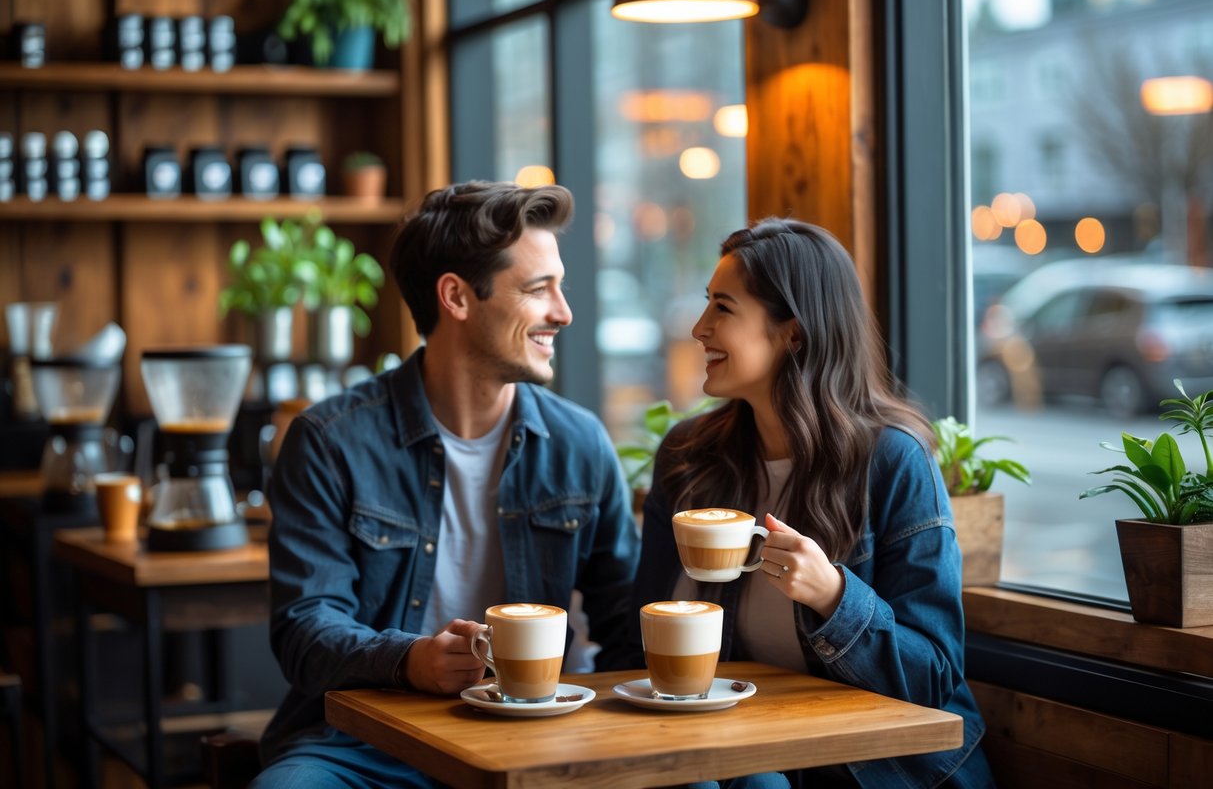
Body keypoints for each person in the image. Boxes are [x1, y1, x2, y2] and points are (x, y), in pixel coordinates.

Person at [255, 181, 640, 787]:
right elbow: (306, 629)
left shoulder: (579, 443)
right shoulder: (330, 441)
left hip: (538, 734)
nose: (563, 312)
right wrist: (410, 661)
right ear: (456, 296)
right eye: (539, 289)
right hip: (363, 744)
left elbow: (625, 624)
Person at [633, 219, 995, 788]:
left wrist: (833, 595)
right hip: (732, 755)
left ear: (793, 334)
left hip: (872, 770)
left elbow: (934, 679)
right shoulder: (689, 457)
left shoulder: (892, 461)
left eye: (723, 308)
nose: (699, 328)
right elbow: (641, 637)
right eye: (707, 304)